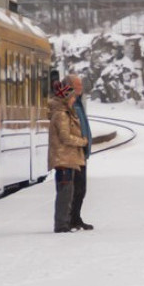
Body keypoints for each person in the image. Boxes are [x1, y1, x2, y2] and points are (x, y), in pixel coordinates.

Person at [48, 79, 89, 233]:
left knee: (67, 191)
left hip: (67, 158)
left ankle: (65, 222)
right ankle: (61, 224)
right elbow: (65, 137)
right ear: (66, 99)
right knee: (65, 193)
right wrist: (82, 142)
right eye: (71, 97)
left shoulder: (64, 113)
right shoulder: (61, 115)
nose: (74, 100)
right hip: (63, 158)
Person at [65, 74, 97, 230]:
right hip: (73, 152)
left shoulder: (78, 102)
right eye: (78, 85)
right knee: (76, 188)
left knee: (81, 188)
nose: (81, 87)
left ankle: (76, 218)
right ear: (70, 87)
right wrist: (81, 142)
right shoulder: (70, 104)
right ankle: (71, 218)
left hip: (81, 152)